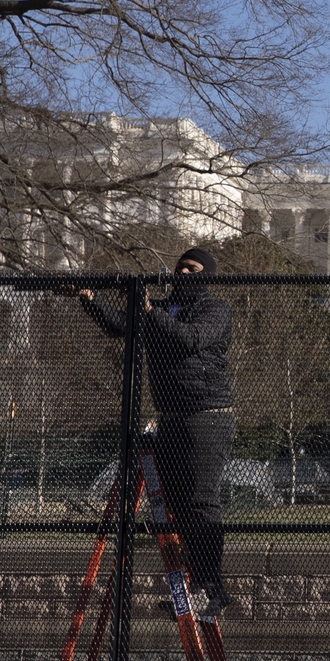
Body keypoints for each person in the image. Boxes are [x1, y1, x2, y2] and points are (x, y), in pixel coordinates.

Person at [79, 248, 235, 616]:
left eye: (193, 269)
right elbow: (120, 325)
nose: (184, 274)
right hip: (171, 419)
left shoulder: (215, 310)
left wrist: (150, 311)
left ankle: (211, 588)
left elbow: (191, 339)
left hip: (207, 416)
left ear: (207, 275)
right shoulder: (161, 309)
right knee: (177, 507)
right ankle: (196, 585)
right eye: (181, 268)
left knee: (202, 502)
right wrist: (91, 298)